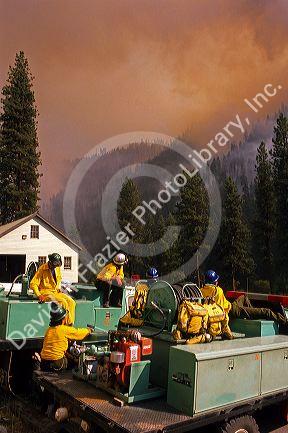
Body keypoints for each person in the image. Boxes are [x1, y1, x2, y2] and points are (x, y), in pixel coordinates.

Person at [202, 270, 287, 331]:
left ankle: (251, 314)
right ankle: (285, 322)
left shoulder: (201, 290)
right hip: (231, 311)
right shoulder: (218, 290)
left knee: (243, 298)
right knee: (266, 312)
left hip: (229, 307)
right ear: (215, 282)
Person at [40, 302, 92, 372]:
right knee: (76, 363)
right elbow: (79, 333)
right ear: (63, 319)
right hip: (57, 363)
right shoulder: (64, 329)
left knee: (68, 356)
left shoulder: (49, 330)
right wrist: (89, 330)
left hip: (44, 364)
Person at [30, 253, 76, 325]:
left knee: (71, 302)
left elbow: (58, 280)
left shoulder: (57, 268)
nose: (55, 267)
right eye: (54, 265)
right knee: (62, 301)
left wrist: (59, 288)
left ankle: (70, 324)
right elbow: (33, 284)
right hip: (45, 293)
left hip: (55, 292)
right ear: (50, 262)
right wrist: (39, 295)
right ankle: (64, 325)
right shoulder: (42, 269)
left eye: (57, 265)